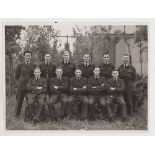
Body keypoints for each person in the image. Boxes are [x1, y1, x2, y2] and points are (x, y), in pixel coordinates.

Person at [15, 50, 36, 117]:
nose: (28, 57)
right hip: (21, 86)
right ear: (24, 56)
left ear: (31, 56)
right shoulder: (20, 65)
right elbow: (17, 76)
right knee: (19, 101)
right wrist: (20, 82)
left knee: (30, 101)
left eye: (29, 56)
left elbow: (34, 76)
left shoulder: (33, 65)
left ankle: (30, 115)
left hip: (30, 86)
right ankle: (16, 115)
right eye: (26, 55)